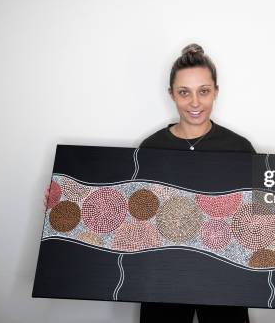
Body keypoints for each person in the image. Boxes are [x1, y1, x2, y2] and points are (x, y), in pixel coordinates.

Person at [44, 44, 254, 323]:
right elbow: (128, 214)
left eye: (203, 91)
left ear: (215, 91)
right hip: (161, 279)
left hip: (223, 279)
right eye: (184, 92)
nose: (194, 102)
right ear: (171, 94)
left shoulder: (239, 148)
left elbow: (260, 215)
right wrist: (63, 203)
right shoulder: (150, 149)